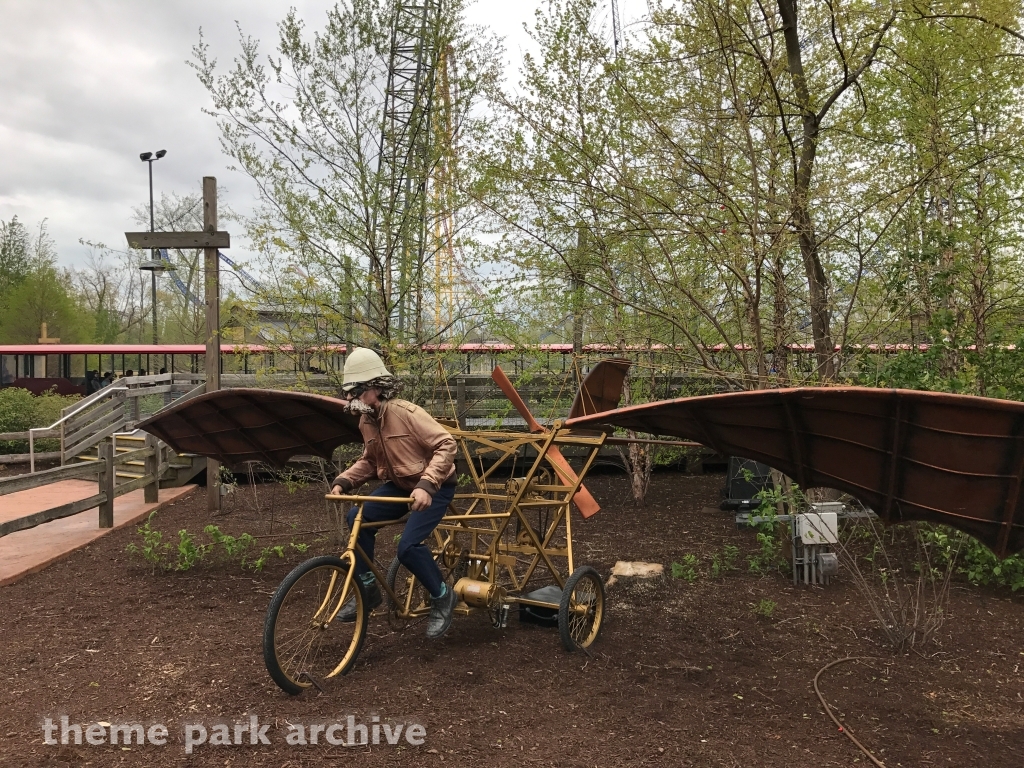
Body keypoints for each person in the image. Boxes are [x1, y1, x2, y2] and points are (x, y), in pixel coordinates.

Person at [330, 348, 458, 639]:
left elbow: (446, 445)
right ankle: (367, 588)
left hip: (434, 487)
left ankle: (442, 595)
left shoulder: (406, 413)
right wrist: (345, 481)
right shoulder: (367, 421)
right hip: (400, 485)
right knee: (357, 516)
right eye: (349, 392)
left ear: (375, 388)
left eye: (358, 391)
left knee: (408, 547)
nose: (352, 399)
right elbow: (370, 460)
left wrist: (427, 485)